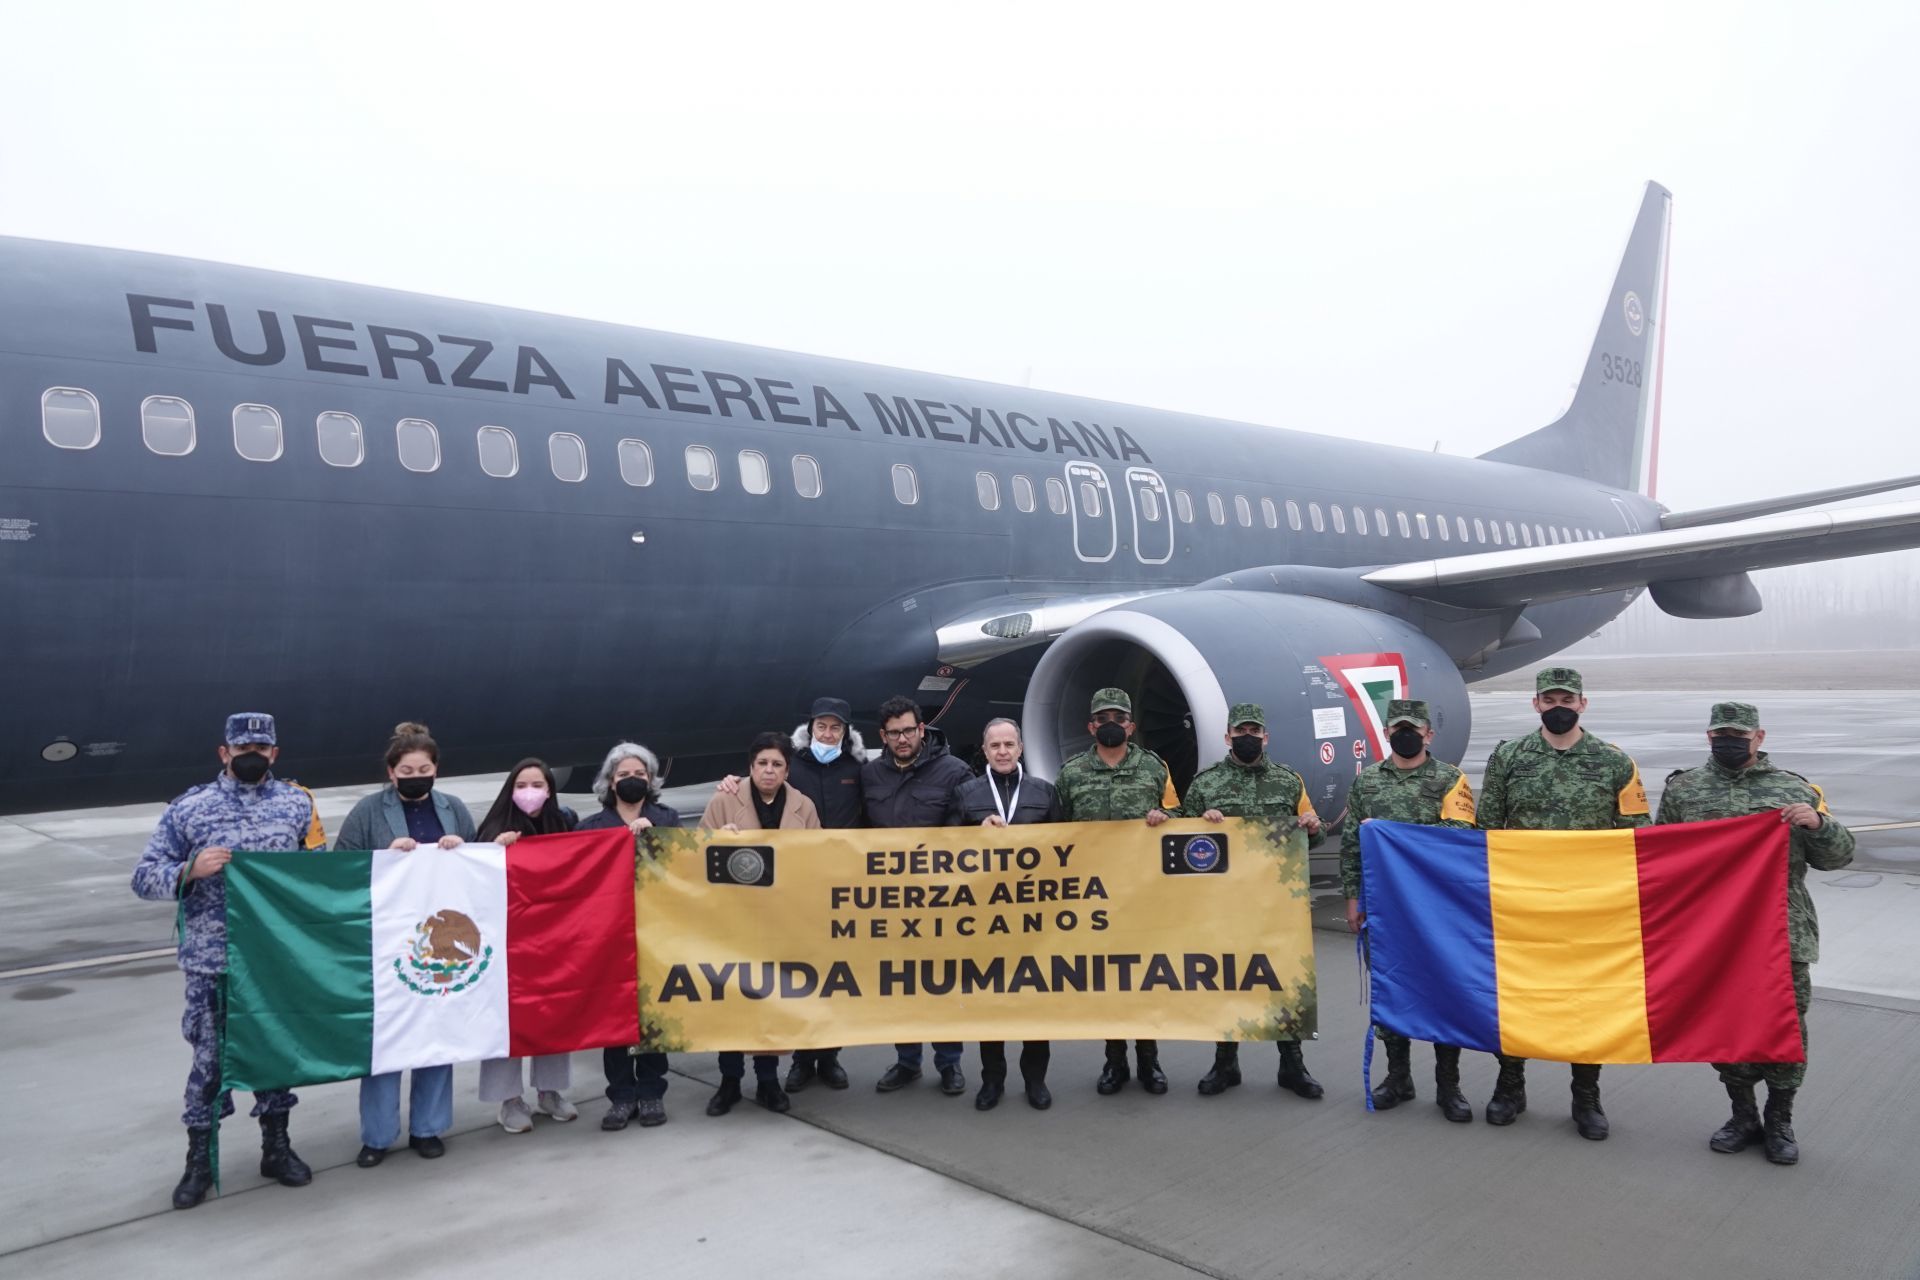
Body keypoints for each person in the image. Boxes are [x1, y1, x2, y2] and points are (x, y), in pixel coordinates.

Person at [130, 712, 328, 1209]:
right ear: (224, 753)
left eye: (261, 750)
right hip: (211, 961)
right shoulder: (190, 809)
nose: (251, 757)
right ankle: (199, 1161)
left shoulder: (296, 804)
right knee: (209, 1062)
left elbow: (318, 871)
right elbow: (144, 877)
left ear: (275, 754)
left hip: (271, 961)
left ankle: (276, 1148)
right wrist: (188, 870)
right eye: (242, 749)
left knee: (274, 1053)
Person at [1656, 701, 1855, 1166]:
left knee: (1786, 1027)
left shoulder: (1795, 790)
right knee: (1726, 1026)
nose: (1729, 740)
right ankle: (1742, 1116)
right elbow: (1662, 855)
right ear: (1708, 736)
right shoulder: (1684, 790)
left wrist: (1818, 824)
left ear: (1759, 737)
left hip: (1781, 930)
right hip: (1714, 934)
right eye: (1721, 732)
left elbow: (1838, 857)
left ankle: (1780, 1120)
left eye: (1739, 734)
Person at [1477, 667, 1650, 1140]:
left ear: (1582, 704)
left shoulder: (1614, 762)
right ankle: (1510, 1086)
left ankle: (1586, 1096)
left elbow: (1638, 836)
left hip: (1589, 905)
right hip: (1524, 900)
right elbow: (1485, 829)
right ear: (1535, 704)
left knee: (1586, 999)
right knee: (1520, 992)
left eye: (1567, 699)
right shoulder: (1510, 756)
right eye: (1549, 699)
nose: (1559, 706)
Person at [332, 722, 477, 1166]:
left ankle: (428, 1128)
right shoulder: (368, 811)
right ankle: (377, 1136)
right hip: (389, 942)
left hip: (441, 939)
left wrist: (460, 848)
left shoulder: (452, 808)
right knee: (387, 1038)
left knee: (436, 1032)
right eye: (408, 768)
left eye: (426, 767)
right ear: (392, 773)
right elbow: (342, 867)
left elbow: (477, 860)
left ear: (436, 769)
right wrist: (384, 857)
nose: (418, 774)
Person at [1171, 702, 1327, 1100]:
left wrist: (1311, 826)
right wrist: (1199, 824)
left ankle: (1292, 1065)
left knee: (1285, 981)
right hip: (1225, 905)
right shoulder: (1205, 784)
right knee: (1227, 980)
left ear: (1265, 736)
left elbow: (1315, 831)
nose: (1247, 738)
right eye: (1240, 732)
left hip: (1279, 903)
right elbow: (1181, 841)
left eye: (1254, 731)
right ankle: (1226, 1063)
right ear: (1228, 737)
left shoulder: (1288, 782)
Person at [717, 696, 866, 1091]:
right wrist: (732, 782)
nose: (828, 733)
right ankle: (798, 1062)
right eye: (822, 726)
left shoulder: (859, 768)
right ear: (812, 728)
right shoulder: (791, 765)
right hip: (766, 899)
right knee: (776, 985)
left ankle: (829, 1057)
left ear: (845, 732)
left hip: (829, 888)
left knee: (827, 981)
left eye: (836, 727)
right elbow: (759, 780)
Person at [1340, 700, 1478, 1120]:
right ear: (1386, 733)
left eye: (1413, 728)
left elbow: (1461, 835)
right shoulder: (1368, 784)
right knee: (1391, 985)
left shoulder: (1451, 779)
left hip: (1438, 906)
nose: (1406, 734)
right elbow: (1351, 842)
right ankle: (1398, 1077)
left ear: (1428, 734)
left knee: (1442, 987)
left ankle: (1448, 1085)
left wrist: (1390, 832)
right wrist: (1352, 898)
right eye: (1398, 728)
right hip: (1384, 905)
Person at [1054, 688, 1180, 1096]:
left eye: (1119, 718)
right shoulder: (1072, 773)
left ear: (1131, 725)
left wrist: (1167, 817)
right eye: (1103, 719)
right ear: (1091, 726)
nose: (1112, 725)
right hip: (1094, 901)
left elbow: (1180, 814)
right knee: (1108, 980)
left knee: (1144, 979)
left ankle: (1149, 1059)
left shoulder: (1155, 768)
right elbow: (1056, 832)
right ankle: (1114, 1060)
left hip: (1142, 897)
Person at [699, 732, 821, 1115]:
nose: (769, 770)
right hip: (732, 921)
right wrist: (717, 840)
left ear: (787, 769)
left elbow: (818, 860)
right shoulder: (723, 800)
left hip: (780, 921)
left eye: (777, 764)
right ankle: (729, 1080)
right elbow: (694, 853)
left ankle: (768, 1080)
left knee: (770, 1002)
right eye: (763, 763)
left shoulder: (803, 807)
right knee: (731, 1002)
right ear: (751, 767)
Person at [948, 717, 1062, 1111]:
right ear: (984, 750)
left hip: (1034, 921)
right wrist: (974, 831)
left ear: (1020, 748)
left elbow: (1068, 853)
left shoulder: (1044, 794)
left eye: (1009, 744)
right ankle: (992, 1081)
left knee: (1035, 1003)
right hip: (984, 918)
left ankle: (1036, 1081)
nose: (1002, 751)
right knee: (990, 1003)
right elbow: (941, 849)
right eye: (994, 745)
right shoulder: (966, 794)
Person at [862, 695, 974, 1096]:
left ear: (922, 730)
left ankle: (950, 1063)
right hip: (891, 903)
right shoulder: (870, 776)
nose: (903, 738)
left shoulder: (955, 772)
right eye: (894, 733)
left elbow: (967, 836)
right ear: (883, 736)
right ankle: (907, 1061)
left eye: (910, 730)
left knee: (942, 985)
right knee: (900, 985)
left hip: (939, 903)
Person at [474, 759, 581, 1133]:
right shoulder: (493, 827)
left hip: (554, 938)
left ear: (550, 789)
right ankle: (509, 1100)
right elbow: (473, 877)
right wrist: (494, 850)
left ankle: (550, 1091)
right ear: (510, 788)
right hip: (510, 941)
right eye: (522, 784)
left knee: (554, 1013)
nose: (530, 792)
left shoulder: (563, 822)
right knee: (509, 1018)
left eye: (538, 784)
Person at [579, 742, 681, 1130]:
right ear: (610, 782)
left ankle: (653, 1091)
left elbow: (682, 869)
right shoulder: (590, 828)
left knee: (653, 1016)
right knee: (615, 1017)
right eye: (624, 775)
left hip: (656, 932)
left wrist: (656, 836)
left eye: (639, 774)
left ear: (651, 780)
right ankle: (621, 1096)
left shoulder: (666, 817)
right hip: (609, 937)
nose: (632, 780)